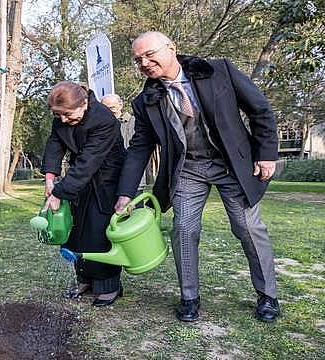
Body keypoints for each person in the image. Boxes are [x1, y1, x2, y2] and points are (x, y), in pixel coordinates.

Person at [115, 31, 280, 322]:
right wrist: (126, 193)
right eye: (138, 59)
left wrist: (266, 153)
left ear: (171, 48)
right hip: (187, 169)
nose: (144, 62)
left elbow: (260, 109)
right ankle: (189, 297)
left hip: (231, 165)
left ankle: (268, 296)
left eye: (149, 54)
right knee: (184, 230)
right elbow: (139, 148)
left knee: (247, 227)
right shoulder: (145, 101)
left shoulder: (219, 71)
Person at [42, 81, 126, 307]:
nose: (63, 120)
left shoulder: (104, 119)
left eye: (67, 115)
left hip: (106, 178)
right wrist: (50, 178)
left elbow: (90, 161)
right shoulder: (63, 118)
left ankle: (109, 286)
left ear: (85, 103)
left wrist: (60, 192)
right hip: (79, 179)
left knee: (99, 230)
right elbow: (54, 145)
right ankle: (84, 279)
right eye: (58, 115)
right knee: (77, 229)